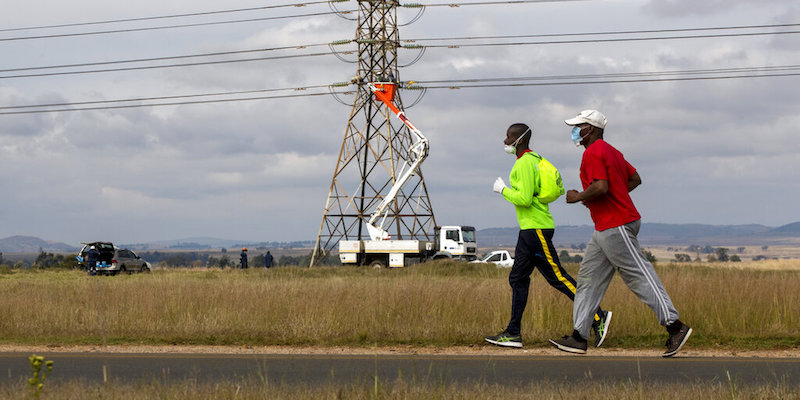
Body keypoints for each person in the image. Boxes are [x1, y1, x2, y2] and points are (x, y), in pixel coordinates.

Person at [549, 110, 692, 357]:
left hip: (616, 225)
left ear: (590, 129)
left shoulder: (593, 152)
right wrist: (611, 195)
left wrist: (579, 196)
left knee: (639, 276)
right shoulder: (612, 151)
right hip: (607, 226)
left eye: (578, 126)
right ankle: (579, 337)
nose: (574, 131)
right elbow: (634, 179)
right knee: (588, 280)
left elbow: (601, 187)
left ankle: (675, 327)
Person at [485, 123, 613, 349]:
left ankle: (597, 317)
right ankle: (513, 333)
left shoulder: (525, 162)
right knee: (517, 279)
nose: (505, 141)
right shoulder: (533, 159)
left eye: (509, 137)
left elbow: (524, 199)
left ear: (520, 140)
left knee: (559, 278)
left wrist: (502, 190)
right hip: (529, 230)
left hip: (536, 229)